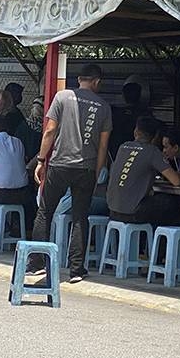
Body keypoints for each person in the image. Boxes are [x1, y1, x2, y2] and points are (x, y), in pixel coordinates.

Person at [31, 63, 113, 283]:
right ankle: (76, 270)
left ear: (79, 79)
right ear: (97, 81)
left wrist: (41, 160)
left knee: (45, 212)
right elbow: (103, 147)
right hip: (86, 168)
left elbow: (50, 131)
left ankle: (37, 263)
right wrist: (96, 173)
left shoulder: (62, 97)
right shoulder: (104, 107)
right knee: (79, 217)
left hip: (59, 165)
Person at [107, 116, 180, 227]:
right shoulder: (152, 151)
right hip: (133, 213)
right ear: (156, 137)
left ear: (135, 131)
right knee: (171, 202)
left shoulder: (123, 147)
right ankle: (160, 237)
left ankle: (146, 235)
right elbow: (176, 181)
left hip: (112, 211)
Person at [109, 81, 151, 157]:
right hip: (137, 153)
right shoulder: (145, 114)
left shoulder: (114, 112)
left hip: (116, 153)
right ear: (140, 95)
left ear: (123, 95)